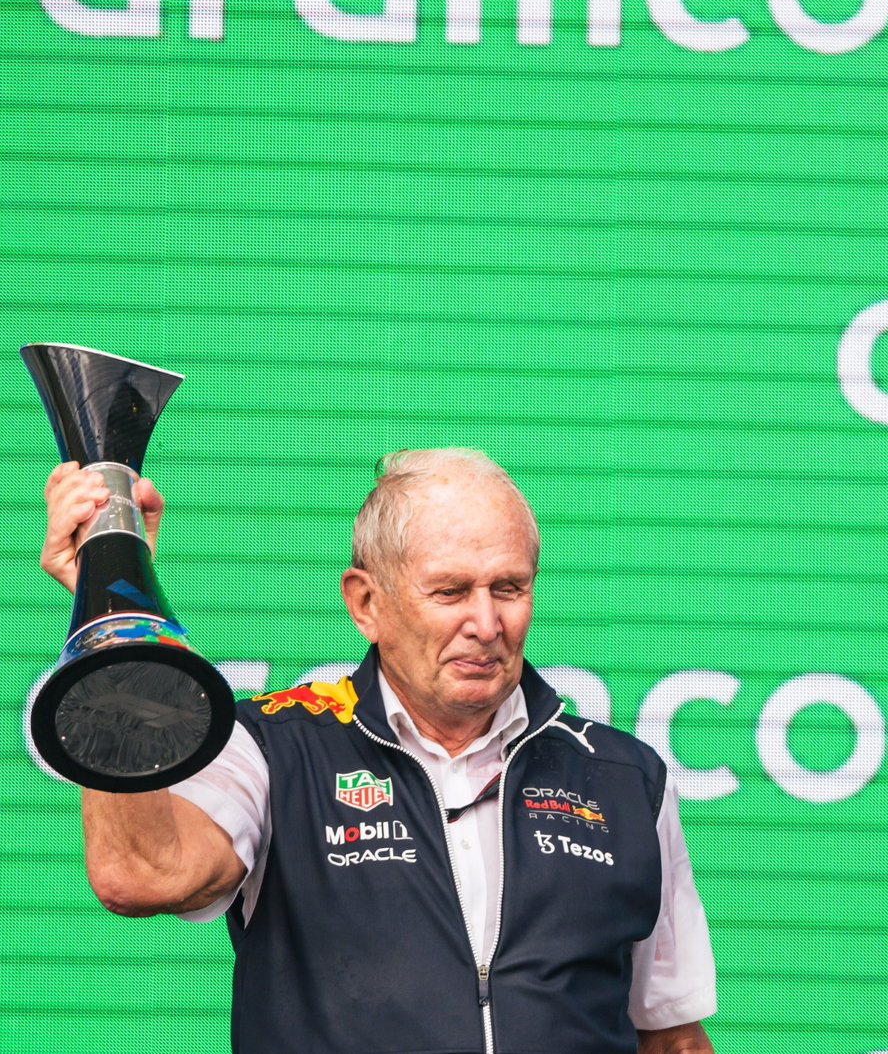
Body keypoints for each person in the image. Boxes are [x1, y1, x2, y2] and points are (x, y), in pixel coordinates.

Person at [42, 448, 718, 1054]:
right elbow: (140, 874)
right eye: (450, 591)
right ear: (366, 603)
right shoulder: (274, 745)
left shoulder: (625, 777)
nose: (485, 624)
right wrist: (111, 618)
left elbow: (671, 1035)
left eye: (508, 589)